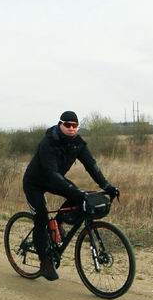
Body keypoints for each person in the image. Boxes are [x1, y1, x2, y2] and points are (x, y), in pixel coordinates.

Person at [22, 111, 119, 281]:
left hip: (54, 180)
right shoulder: (49, 142)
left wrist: (107, 186)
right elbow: (51, 173)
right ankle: (45, 262)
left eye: (75, 126)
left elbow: (92, 166)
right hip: (35, 183)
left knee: (77, 196)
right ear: (60, 125)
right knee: (41, 217)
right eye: (67, 125)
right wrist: (76, 191)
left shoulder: (78, 143)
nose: (71, 129)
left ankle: (58, 223)